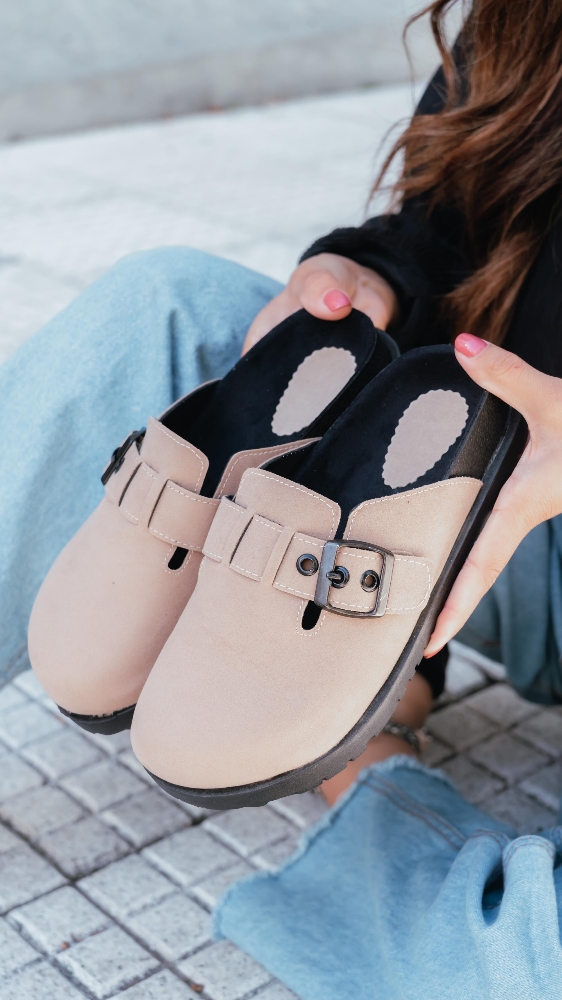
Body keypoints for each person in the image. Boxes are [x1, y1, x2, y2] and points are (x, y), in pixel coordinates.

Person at [1, 0, 562, 995]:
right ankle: (370, 717)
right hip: (489, 486)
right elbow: (443, 232)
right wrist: (367, 274)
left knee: (525, 972)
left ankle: (371, 769)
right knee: (163, 303)